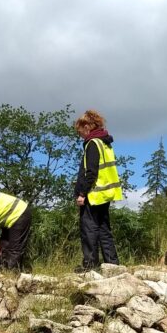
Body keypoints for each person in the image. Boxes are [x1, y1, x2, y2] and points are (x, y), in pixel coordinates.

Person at [73, 109, 123, 270]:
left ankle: (90, 265)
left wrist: (82, 193)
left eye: (79, 130)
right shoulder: (104, 142)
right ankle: (112, 264)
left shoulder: (93, 143)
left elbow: (91, 172)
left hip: (93, 194)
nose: (79, 134)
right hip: (105, 193)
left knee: (89, 230)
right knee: (103, 229)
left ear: (86, 126)